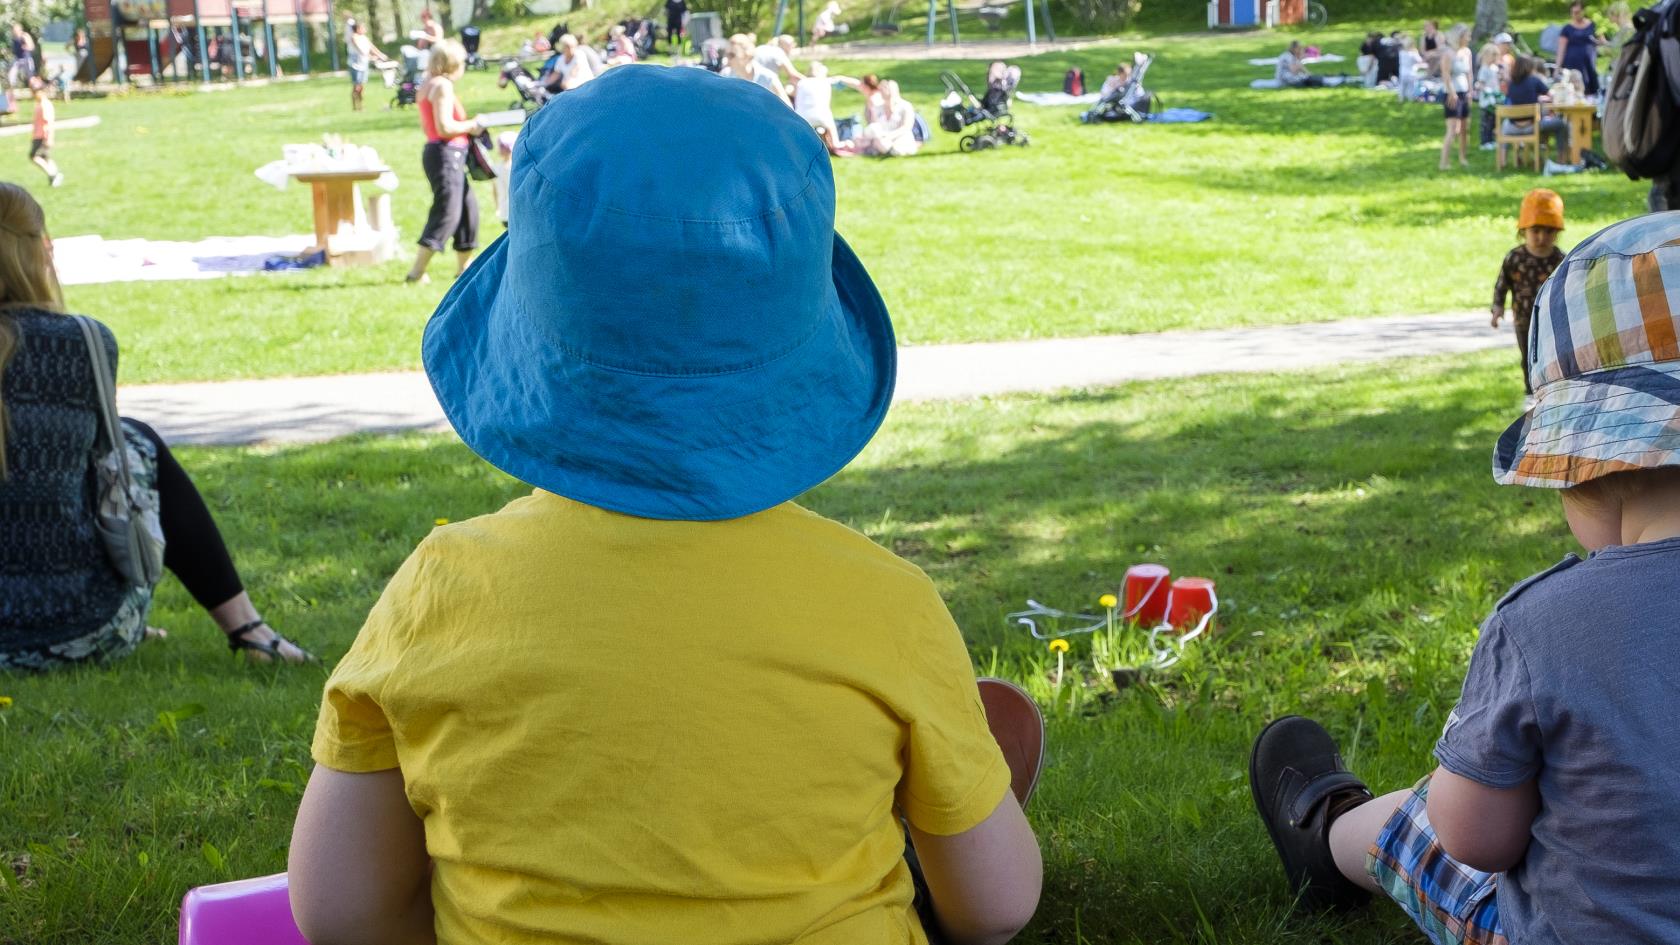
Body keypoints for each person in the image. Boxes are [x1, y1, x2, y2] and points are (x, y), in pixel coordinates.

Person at [289, 65, 1043, 945]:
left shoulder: (437, 593)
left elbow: (339, 911)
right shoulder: (885, 605)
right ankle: (933, 792)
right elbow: (996, 908)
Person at [1250, 210, 1680, 945]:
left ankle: (1327, 834)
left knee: (1425, 813)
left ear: (1583, 470)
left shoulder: (1542, 626)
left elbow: (1475, 838)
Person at [0, 184, 311, 671]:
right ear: (39, 249)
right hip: (81, 632)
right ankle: (248, 629)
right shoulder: (82, 341)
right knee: (135, 441)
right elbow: (102, 462)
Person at [406, 39, 483, 285]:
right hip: (446, 153)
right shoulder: (442, 86)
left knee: (468, 209)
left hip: (441, 153)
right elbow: (444, 127)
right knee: (447, 212)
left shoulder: (426, 84)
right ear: (453, 63)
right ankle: (416, 272)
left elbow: (426, 126)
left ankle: (464, 269)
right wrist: (473, 126)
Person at [1490, 190, 1564, 397]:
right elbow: (1502, 284)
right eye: (1536, 231)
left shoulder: (1560, 260)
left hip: (1551, 320)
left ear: (1557, 232)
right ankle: (1530, 395)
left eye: (1549, 231)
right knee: (1528, 358)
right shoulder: (1515, 258)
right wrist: (1497, 308)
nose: (1542, 237)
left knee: (1551, 357)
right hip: (1524, 320)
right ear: (1523, 231)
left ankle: (1552, 393)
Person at [1503, 56, 1576, 169]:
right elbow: (1551, 95)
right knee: (1561, 124)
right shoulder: (1534, 80)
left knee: (1504, 124)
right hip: (1532, 126)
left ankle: (1504, 160)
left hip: (1513, 127)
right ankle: (1561, 159)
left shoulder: (1511, 84)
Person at [1439, 24, 1473, 170]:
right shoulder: (1448, 53)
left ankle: (1462, 157)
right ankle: (1444, 162)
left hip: (1464, 92)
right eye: (1467, 35)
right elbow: (1445, 75)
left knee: (1465, 128)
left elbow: (1469, 73)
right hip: (1452, 93)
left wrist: (1471, 91)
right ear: (1459, 37)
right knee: (1453, 129)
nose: (1469, 38)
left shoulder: (1467, 52)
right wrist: (1451, 93)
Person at [856, 78, 919, 156]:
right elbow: (874, 126)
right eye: (880, 89)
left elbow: (905, 128)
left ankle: (890, 151)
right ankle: (886, 150)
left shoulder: (905, 106)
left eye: (884, 89)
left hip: (899, 138)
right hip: (881, 138)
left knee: (881, 142)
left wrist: (889, 136)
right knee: (870, 137)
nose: (881, 91)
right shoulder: (877, 107)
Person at [1555, 1, 1603, 99]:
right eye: (1574, 12)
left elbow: (1600, 42)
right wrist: (1557, 67)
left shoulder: (1593, 25)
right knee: (1574, 89)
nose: (1576, 15)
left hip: (1589, 64)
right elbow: (1561, 49)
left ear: (1583, 11)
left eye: (1578, 12)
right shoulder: (1567, 28)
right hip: (1573, 64)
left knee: (1591, 90)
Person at [346, 20, 390, 112]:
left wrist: (381, 55)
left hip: (363, 64)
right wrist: (371, 57)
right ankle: (355, 106)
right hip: (355, 65)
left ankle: (361, 106)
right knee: (357, 85)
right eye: (363, 27)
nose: (365, 29)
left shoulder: (364, 37)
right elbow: (360, 50)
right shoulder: (354, 37)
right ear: (358, 29)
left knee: (361, 86)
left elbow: (372, 47)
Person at [722, 34, 785, 99]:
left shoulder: (767, 77)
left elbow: (787, 107)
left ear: (747, 55)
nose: (726, 59)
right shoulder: (725, 75)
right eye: (726, 54)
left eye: (731, 55)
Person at [26, 77, 61, 188]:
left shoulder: (45, 105)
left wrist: (49, 138)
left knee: (34, 156)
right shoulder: (39, 104)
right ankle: (56, 174)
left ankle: (53, 174)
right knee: (45, 157)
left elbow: (49, 123)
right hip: (38, 136)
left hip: (42, 136)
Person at [1474, 43, 1504, 150]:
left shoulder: (1494, 68)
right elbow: (1480, 83)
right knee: (1486, 122)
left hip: (1495, 98)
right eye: (1493, 56)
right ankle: (1485, 142)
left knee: (1493, 121)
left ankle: (1492, 140)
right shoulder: (1484, 69)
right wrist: (1487, 91)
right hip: (1486, 100)